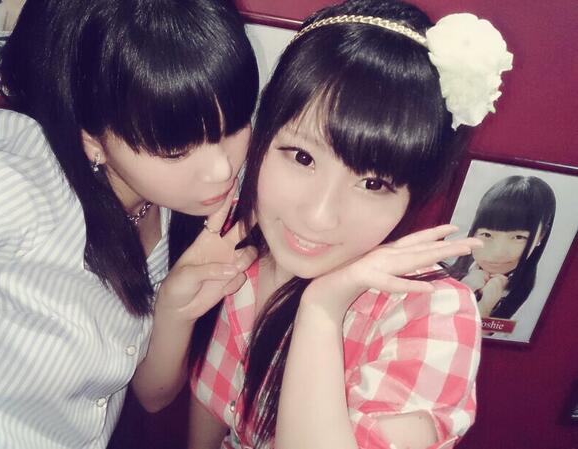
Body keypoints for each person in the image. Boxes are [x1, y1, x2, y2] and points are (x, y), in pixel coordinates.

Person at [146, 1, 511, 448]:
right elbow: (184, 405)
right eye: (302, 157)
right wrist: (174, 309)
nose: (319, 216)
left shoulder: (429, 313)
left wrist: (321, 310)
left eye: (373, 183)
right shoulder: (235, 241)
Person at [0, 0, 259, 447]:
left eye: (236, 125)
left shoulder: (179, 211)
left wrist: (174, 308)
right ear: (92, 139)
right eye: (175, 151)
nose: (222, 170)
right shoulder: (14, 177)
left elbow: (152, 396)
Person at [451, 176, 556, 320]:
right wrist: (462, 291)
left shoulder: (543, 301)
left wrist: (485, 308)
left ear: (541, 236)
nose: (497, 253)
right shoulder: (441, 264)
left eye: (518, 237)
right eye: (487, 234)